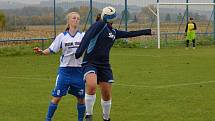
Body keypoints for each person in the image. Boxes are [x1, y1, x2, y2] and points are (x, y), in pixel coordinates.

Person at [75, 6, 152, 121]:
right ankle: (89, 115)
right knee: (91, 85)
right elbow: (87, 37)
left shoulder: (113, 32)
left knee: (106, 94)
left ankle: (106, 118)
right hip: (90, 62)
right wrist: (79, 51)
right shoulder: (99, 25)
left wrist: (147, 31)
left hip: (104, 65)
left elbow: (129, 34)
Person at [33, 12, 85, 121]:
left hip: (79, 71)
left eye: (78, 19)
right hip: (65, 72)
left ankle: (80, 119)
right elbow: (52, 49)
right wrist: (42, 52)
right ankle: (48, 119)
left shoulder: (83, 36)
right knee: (56, 97)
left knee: (81, 98)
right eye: (74, 18)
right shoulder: (62, 36)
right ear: (69, 21)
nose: (76, 20)